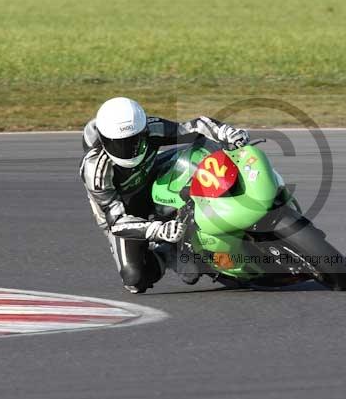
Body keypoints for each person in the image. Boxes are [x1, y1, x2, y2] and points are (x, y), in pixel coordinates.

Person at [79, 97, 250, 294]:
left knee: (204, 150)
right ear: (104, 140)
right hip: (126, 213)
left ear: (143, 131)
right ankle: (170, 252)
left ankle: (241, 200)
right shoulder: (94, 170)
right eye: (120, 145)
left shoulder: (153, 128)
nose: (130, 150)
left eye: (135, 141)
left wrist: (226, 132)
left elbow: (195, 127)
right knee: (134, 279)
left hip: (156, 176)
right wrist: (158, 230)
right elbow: (116, 222)